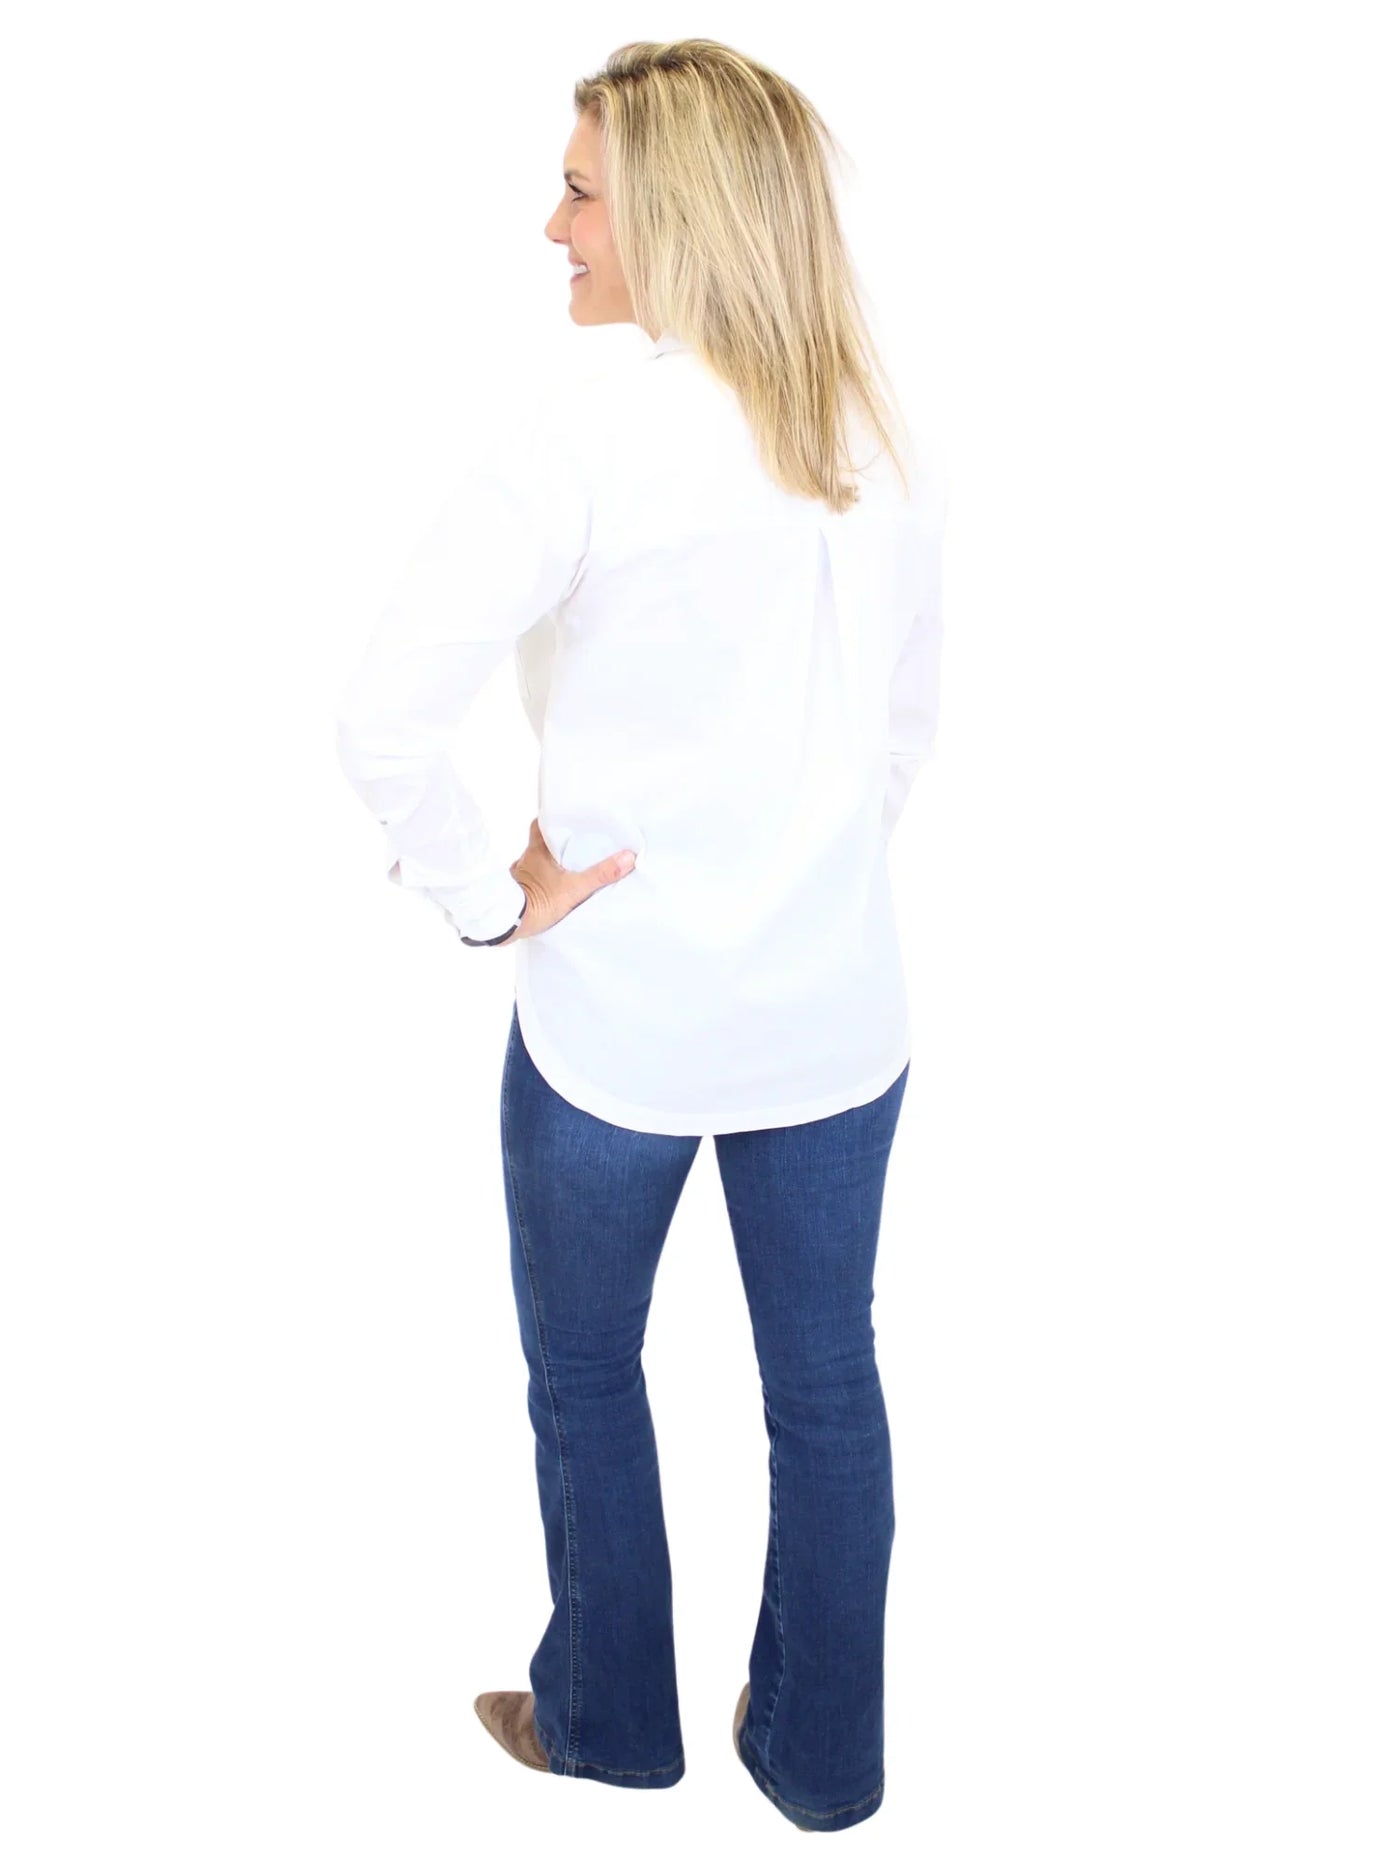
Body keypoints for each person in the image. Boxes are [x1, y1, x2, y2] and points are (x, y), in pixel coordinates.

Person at [334, 37, 948, 1835]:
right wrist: (807, 863)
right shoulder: (876, 428)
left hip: (619, 1024)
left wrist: (479, 896)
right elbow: (909, 728)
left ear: (675, 211)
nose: (556, 227)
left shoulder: (586, 431)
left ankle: (610, 1721)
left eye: (585, 191)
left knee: (589, 1373)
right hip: (837, 1023)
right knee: (827, 1388)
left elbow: (380, 720)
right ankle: (824, 1764)